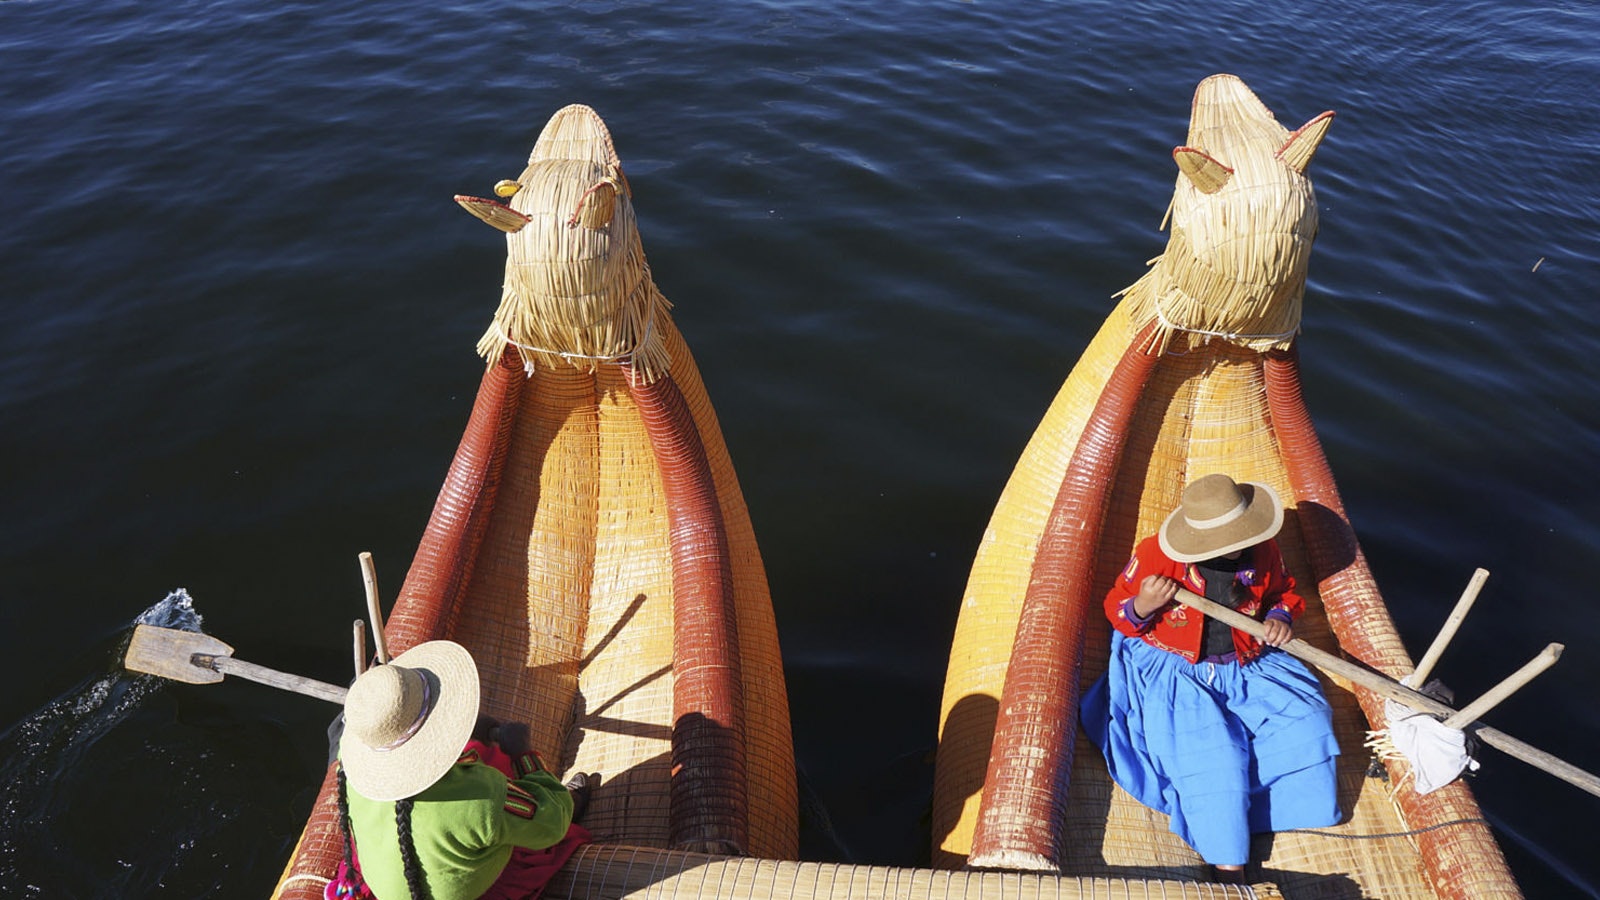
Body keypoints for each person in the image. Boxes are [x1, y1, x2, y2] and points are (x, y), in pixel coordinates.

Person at [1080, 474, 1341, 883]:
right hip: (1177, 672)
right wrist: (1145, 603)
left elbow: (1284, 593)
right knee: (1215, 760)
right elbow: (1118, 609)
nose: (1238, 544)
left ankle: (1276, 812)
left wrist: (1279, 619)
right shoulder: (1156, 553)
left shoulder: (1264, 549)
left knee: (1308, 719)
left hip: (1248, 664)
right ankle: (1228, 864)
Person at [331, 639, 596, 900]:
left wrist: (472, 731)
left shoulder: (350, 766)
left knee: (478, 754)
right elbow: (552, 823)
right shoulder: (480, 798)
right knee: (541, 828)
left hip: (391, 884)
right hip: (476, 889)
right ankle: (561, 796)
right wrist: (523, 754)